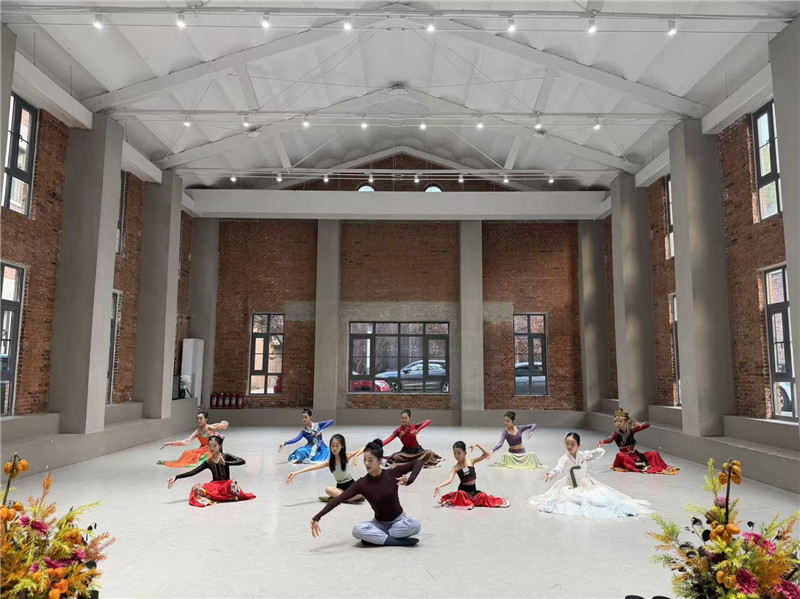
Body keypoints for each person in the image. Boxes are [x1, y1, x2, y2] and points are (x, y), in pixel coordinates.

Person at [310, 439, 423, 547]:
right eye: (364, 459)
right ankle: (392, 541)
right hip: (379, 524)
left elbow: (418, 462)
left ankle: (378, 538)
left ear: (379, 460)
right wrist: (317, 517)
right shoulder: (362, 484)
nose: (366, 463)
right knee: (357, 530)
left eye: (370, 460)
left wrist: (409, 480)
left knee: (416, 524)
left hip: (399, 521)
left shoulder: (392, 474)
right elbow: (338, 499)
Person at [527, 432, 651, 518]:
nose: (569, 447)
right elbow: (559, 468)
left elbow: (596, 453)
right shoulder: (564, 458)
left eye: (572, 444)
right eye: (567, 444)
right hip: (569, 483)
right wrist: (551, 474)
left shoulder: (583, 455)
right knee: (568, 500)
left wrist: (599, 449)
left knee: (597, 498)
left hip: (584, 482)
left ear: (578, 445)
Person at [167, 434, 255, 508]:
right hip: (215, 486)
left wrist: (226, 463)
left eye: (214, 446)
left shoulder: (225, 456)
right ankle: (226, 497)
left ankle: (222, 497)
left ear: (220, 446)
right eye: (210, 446)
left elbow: (242, 461)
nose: (212, 448)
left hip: (226, 484)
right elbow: (193, 472)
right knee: (195, 488)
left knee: (232, 483)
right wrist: (176, 477)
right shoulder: (208, 462)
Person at [597, 408, 679, 475]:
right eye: (617, 421)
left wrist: (638, 426)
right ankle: (634, 465)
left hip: (636, 455)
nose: (618, 423)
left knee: (654, 453)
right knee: (619, 455)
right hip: (626, 457)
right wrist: (602, 442)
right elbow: (609, 440)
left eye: (620, 421)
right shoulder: (616, 433)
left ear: (626, 422)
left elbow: (647, 424)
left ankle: (657, 466)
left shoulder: (631, 430)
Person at [286, 433, 365, 502]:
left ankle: (340, 498)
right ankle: (351, 497)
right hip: (340, 489)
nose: (334, 448)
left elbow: (366, 447)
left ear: (342, 446)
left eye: (337, 446)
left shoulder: (346, 456)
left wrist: (356, 456)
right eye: (332, 446)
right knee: (328, 489)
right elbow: (313, 468)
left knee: (361, 485)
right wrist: (296, 473)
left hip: (351, 486)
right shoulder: (329, 462)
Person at [434, 442, 509, 509]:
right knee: (460, 494)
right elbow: (449, 480)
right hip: (463, 491)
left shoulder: (471, 461)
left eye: (459, 453)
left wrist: (477, 445)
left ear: (465, 453)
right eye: (454, 453)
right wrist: (440, 486)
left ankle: (462, 501)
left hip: (473, 491)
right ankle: (453, 501)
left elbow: (486, 454)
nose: (456, 456)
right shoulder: (455, 467)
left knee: (483, 495)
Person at [158, 411, 229, 468]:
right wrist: (171, 443)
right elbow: (186, 441)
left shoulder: (211, 427)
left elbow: (225, 424)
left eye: (201, 419)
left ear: (206, 419)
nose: (199, 420)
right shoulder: (197, 431)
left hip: (211, 449)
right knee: (187, 453)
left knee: (204, 457)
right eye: (198, 419)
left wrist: (216, 427)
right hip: (202, 449)